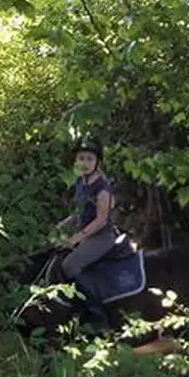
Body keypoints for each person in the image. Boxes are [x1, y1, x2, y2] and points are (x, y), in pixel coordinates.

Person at [55, 136, 119, 329]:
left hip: (102, 237)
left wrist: (75, 238)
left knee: (69, 266)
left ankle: (96, 314)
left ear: (97, 162)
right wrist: (60, 227)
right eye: (81, 158)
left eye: (89, 159)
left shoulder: (102, 190)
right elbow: (78, 214)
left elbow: (101, 220)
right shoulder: (81, 183)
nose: (85, 163)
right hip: (86, 235)